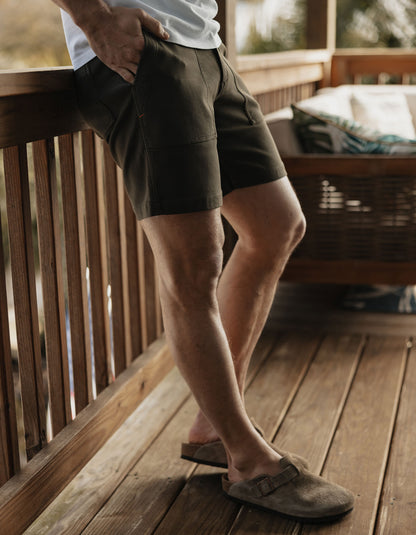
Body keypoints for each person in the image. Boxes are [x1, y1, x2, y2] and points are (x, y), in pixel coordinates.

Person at [53, 0, 354, 522]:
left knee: (277, 226)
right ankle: (247, 461)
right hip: (144, 52)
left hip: (205, 46)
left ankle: (214, 428)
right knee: (193, 269)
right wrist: (94, 18)